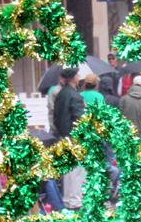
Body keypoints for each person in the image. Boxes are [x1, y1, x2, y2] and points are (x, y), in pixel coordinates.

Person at [53, 67, 85, 210]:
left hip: (64, 135)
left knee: (68, 170)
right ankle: (75, 200)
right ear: (74, 78)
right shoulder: (75, 95)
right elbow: (80, 119)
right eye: (77, 75)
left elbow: (55, 116)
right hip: (75, 136)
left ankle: (67, 199)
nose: (79, 77)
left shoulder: (60, 93)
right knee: (77, 171)